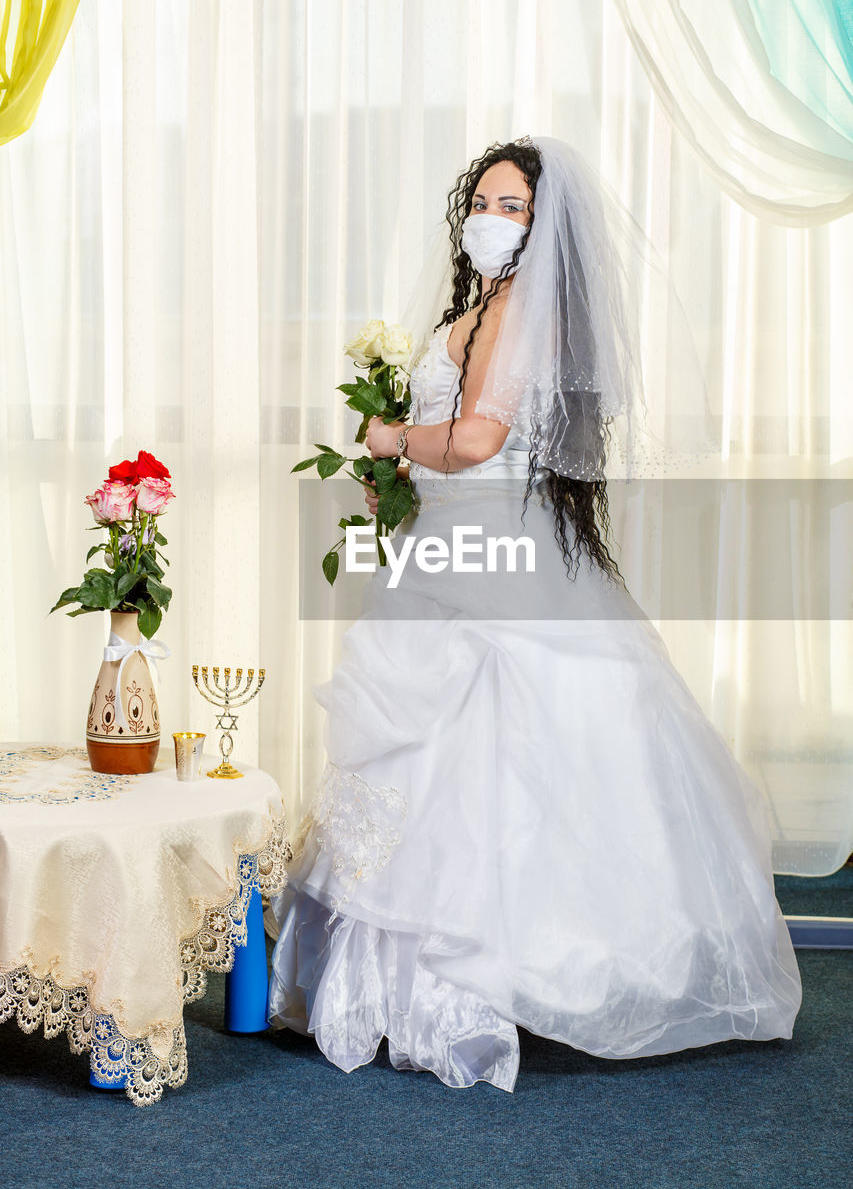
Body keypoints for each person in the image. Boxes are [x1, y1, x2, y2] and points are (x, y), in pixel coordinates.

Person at [267, 136, 802, 1092]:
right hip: (445, 551)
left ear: (541, 223)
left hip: (492, 560)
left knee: (498, 761)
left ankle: (483, 980)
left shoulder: (516, 313)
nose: (492, 217)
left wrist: (389, 437)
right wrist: (395, 465)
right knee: (425, 757)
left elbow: (475, 440)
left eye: (512, 205)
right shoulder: (477, 307)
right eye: (483, 199)